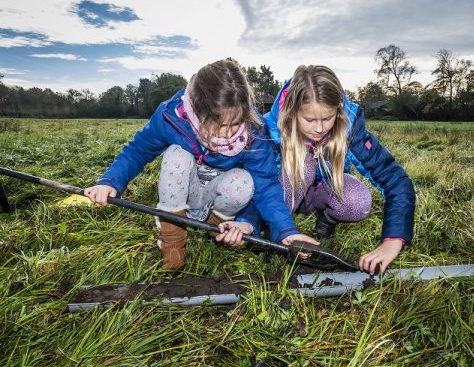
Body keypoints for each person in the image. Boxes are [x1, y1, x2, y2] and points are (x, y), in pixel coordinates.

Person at [84, 59, 316, 271]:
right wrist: (109, 181)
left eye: (234, 124)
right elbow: (137, 151)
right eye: (217, 124)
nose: (226, 134)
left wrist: (287, 230)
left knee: (245, 181)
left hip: (218, 196)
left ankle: (214, 229)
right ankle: (173, 240)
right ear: (197, 111)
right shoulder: (171, 116)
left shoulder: (253, 132)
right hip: (185, 189)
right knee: (176, 155)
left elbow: (265, 185)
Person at [221, 65, 415, 274]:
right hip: (282, 195)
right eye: (310, 120)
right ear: (292, 111)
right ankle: (274, 232)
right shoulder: (268, 129)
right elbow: (262, 185)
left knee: (359, 201)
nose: (320, 128)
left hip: (321, 191)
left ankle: (326, 220)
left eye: (328, 118)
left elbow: (394, 178)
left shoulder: (350, 125)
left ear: (338, 110)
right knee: (303, 162)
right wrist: (247, 223)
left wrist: (393, 240)